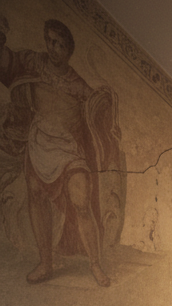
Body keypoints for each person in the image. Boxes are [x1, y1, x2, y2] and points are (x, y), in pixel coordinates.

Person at [0, 18, 122, 287]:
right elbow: (8, 64)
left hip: (68, 147)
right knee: (36, 195)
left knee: (81, 199)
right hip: (39, 141)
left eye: (59, 44)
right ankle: (45, 262)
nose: (52, 47)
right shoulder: (34, 63)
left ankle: (95, 264)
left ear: (68, 50)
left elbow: (96, 112)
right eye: (50, 41)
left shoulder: (77, 84)